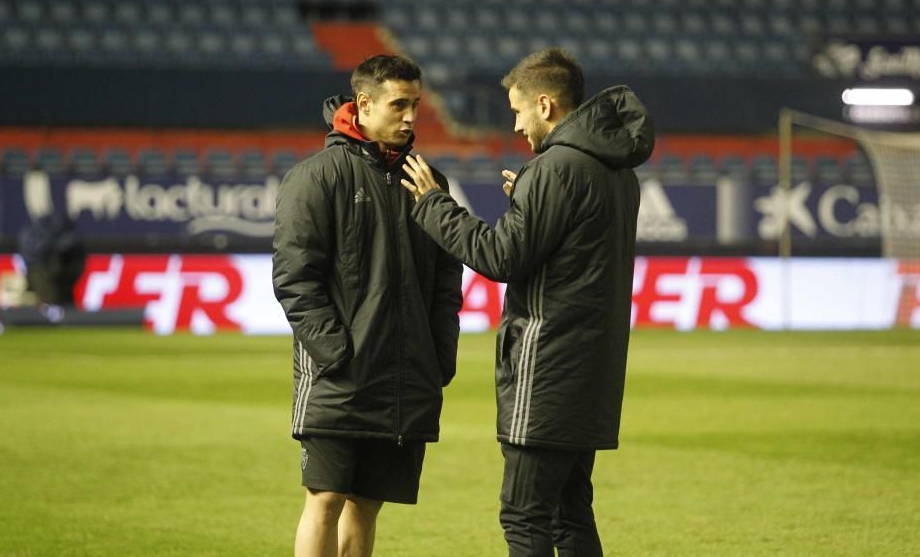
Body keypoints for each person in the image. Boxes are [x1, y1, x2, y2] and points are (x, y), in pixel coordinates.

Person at [401, 48, 654, 557]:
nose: (516, 125)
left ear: (545, 104)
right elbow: (573, 242)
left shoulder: (555, 169)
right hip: (592, 372)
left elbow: (500, 257)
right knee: (571, 514)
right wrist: (531, 201)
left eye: (517, 111)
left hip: (548, 369)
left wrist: (433, 205)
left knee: (525, 515)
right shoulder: (616, 172)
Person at [272, 54, 463, 557]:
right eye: (399, 104)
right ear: (363, 104)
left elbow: (446, 281)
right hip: (342, 375)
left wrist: (439, 355)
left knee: (368, 503)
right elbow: (295, 278)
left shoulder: (430, 182)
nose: (410, 116)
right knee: (326, 498)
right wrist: (337, 353)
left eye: (415, 105)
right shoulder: (316, 177)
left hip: (405, 376)